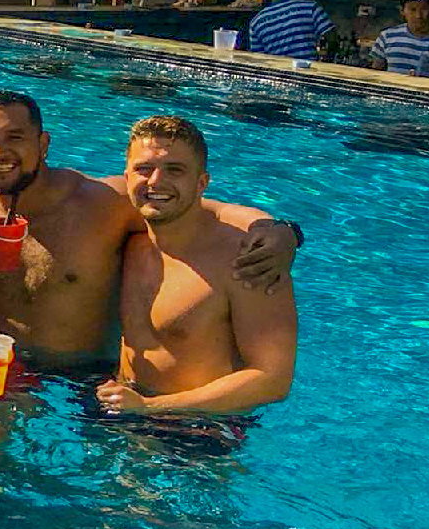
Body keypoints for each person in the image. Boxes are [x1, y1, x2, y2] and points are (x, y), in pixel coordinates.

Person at [0, 90, 299, 371]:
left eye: (15, 137)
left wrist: (280, 230)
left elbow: (210, 209)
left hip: (92, 380)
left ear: (43, 144)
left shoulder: (101, 202)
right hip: (9, 374)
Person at [99, 117, 296, 415]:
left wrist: (151, 407)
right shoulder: (128, 243)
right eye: (143, 169)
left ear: (202, 182)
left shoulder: (249, 261)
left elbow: (273, 380)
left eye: (174, 170)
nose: (155, 182)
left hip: (199, 431)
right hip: (123, 405)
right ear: (126, 178)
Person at [247, 0, 335, 61]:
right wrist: (327, 59)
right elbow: (332, 37)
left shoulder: (256, 22)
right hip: (308, 71)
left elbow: (258, 59)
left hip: (276, 73)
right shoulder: (311, 8)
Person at [366, 0, 429, 78]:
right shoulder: (387, 37)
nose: (418, 15)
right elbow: (374, 74)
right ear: (402, 11)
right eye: (412, 9)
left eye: (424, 9)